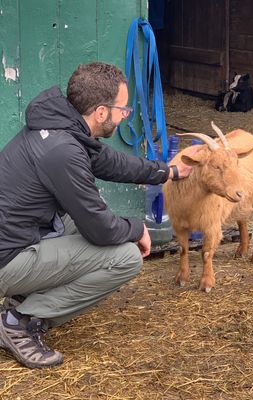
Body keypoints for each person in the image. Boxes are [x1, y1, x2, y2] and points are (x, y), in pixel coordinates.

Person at [0, 62, 192, 369]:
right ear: (101, 112)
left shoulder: (63, 124)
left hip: (22, 233)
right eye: (123, 110)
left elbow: (110, 162)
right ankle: (17, 320)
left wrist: (167, 172)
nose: (124, 115)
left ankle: (26, 299)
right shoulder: (63, 150)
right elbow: (101, 230)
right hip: (8, 258)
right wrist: (136, 228)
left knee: (81, 219)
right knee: (125, 256)